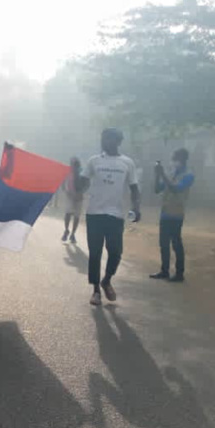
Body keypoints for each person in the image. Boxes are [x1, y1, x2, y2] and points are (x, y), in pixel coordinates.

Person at [80, 128, 141, 306]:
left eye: (109, 139)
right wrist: (77, 180)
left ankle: (106, 280)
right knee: (95, 253)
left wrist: (137, 208)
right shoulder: (94, 161)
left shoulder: (127, 163)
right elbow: (82, 183)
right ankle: (96, 291)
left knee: (115, 252)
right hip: (94, 213)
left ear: (118, 141)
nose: (104, 142)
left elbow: (134, 189)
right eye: (103, 138)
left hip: (116, 214)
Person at [149, 150, 195, 282]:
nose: (174, 161)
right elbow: (157, 189)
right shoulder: (171, 173)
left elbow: (176, 189)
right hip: (165, 211)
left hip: (177, 213)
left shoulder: (188, 175)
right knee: (163, 243)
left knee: (176, 243)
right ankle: (164, 271)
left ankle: (180, 273)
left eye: (176, 158)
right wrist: (157, 175)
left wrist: (162, 174)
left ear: (183, 159)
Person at [62, 157, 87, 244]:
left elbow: (86, 185)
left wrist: (81, 193)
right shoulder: (67, 173)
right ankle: (66, 230)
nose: (74, 167)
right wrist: (67, 192)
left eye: (75, 165)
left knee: (76, 216)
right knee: (68, 214)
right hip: (70, 196)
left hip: (79, 197)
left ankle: (72, 234)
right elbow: (63, 184)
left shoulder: (82, 173)